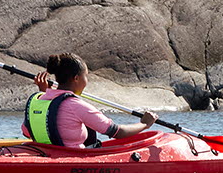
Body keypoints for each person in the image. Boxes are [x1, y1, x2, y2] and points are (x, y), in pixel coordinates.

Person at [24, 53, 159, 148]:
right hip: (73, 161)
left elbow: (27, 132)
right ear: (76, 78)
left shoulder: (40, 99)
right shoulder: (76, 105)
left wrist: (43, 92)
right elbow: (117, 132)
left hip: (48, 154)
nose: (86, 81)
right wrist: (145, 124)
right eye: (86, 76)